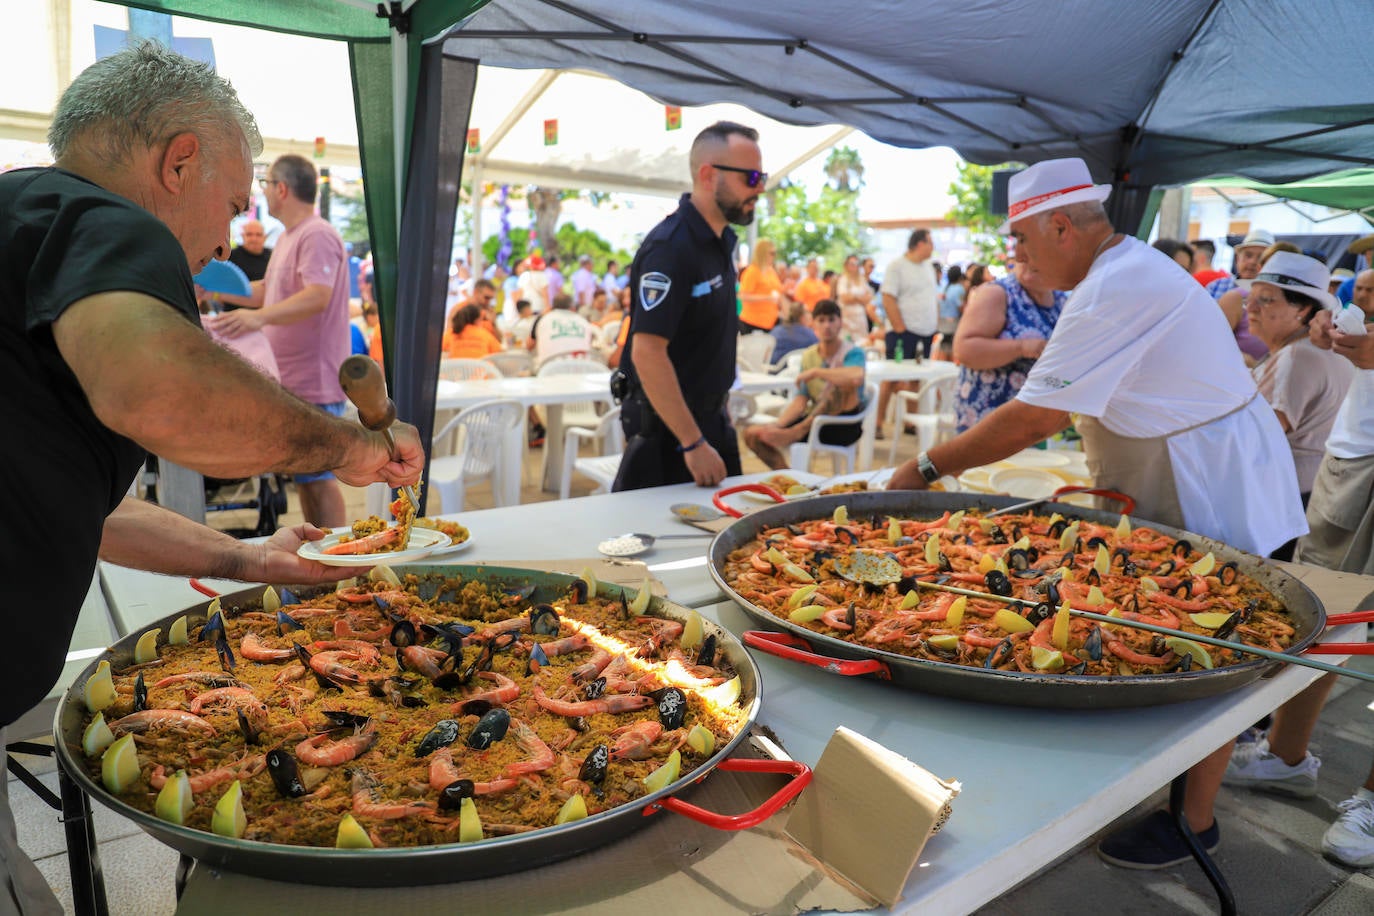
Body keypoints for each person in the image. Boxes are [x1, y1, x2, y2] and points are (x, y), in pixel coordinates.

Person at [0, 42, 423, 913]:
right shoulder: (98, 218)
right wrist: (343, 447)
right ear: (177, 160)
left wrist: (251, 561)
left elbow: (94, 510)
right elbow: (155, 388)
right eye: (231, 203)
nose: (228, 238)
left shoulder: (23, 225)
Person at [886, 157, 1306, 869]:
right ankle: (1171, 794)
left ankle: (1193, 823)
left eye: (1021, 241)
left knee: (1213, 650)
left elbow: (1035, 415)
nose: (1016, 257)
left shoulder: (1118, 284)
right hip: (1183, 468)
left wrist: (922, 468)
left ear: (1060, 226)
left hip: (1211, 482)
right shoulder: (1120, 273)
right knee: (1170, 628)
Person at [613, 121, 762, 490]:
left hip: (708, 421)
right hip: (671, 432)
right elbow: (647, 352)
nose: (759, 189)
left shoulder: (721, 242)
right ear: (709, 175)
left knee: (726, 539)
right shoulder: (672, 248)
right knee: (667, 544)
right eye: (752, 177)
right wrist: (692, 442)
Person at [209, 153, 354, 529]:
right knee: (307, 481)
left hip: (315, 380)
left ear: (282, 189)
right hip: (294, 379)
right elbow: (267, 292)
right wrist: (205, 286)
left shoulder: (316, 234)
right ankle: (323, 557)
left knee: (319, 481)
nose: (264, 192)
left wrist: (257, 318)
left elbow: (316, 295)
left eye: (267, 183)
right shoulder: (290, 236)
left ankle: (336, 561)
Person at [1243, 251, 1354, 548]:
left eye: (1266, 300)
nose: (1250, 307)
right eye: (1250, 298)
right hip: (1308, 493)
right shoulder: (1307, 350)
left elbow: (1259, 434)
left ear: (1303, 310)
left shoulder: (1297, 355)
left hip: (1286, 496)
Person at [744, 299, 866, 468]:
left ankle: (796, 432)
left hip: (843, 423)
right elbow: (801, 399)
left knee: (842, 385)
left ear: (840, 323)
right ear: (813, 324)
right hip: (813, 420)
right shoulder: (809, 356)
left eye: (831, 320)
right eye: (821, 320)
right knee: (752, 434)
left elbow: (856, 376)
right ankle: (788, 478)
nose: (827, 326)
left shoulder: (853, 352)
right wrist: (779, 424)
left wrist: (817, 372)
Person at [952, 260, 1066, 432]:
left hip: (1040, 419)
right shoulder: (997, 293)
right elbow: (964, 350)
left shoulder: (1061, 299)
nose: (1026, 257)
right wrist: (1022, 347)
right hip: (992, 415)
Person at [875, 228, 938, 437]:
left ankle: (910, 421)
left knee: (916, 378)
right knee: (892, 376)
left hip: (925, 332)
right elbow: (888, 297)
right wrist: (900, 327)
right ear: (920, 244)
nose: (933, 247)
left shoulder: (928, 267)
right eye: (931, 242)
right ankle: (877, 422)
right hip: (903, 332)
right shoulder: (897, 266)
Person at [1210, 229, 1274, 363]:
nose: (1252, 262)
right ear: (1238, 258)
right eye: (1248, 255)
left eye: (1261, 258)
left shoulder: (1275, 296)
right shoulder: (1215, 286)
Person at [214, 218, 271, 310]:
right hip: (233, 315)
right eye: (249, 234)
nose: (254, 238)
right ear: (242, 236)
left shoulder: (272, 256)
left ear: (265, 237)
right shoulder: (228, 257)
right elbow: (217, 287)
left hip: (263, 315)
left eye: (258, 235)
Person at [527, 292, 595, 369]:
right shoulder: (583, 321)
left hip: (548, 372)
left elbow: (529, 346)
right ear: (573, 307)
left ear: (552, 307)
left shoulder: (541, 319)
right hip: (581, 370)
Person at [738, 237, 785, 333]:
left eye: (775, 253)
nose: (774, 256)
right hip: (752, 323)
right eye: (772, 253)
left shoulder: (770, 270)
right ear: (762, 253)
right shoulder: (752, 271)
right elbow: (742, 296)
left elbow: (778, 291)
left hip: (771, 322)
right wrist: (767, 298)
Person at [835, 253, 876, 344]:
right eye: (852, 264)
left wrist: (854, 297)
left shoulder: (861, 280)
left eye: (856, 264)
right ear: (846, 265)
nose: (854, 267)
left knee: (863, 342)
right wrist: (860, 298)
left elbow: (869, 297)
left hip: (860, 318)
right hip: (847, 319)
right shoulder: (843, 279)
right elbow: (844, 298)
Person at [768, 301, 819, 365]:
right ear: (802, 317)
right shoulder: (811, 335)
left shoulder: (776, 331)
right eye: (808, 312)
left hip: (773, 370)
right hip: (797, 371)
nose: (811, 316)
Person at [937, 264, 966, 359]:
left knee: (944, 345)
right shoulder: (959, 289)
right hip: (953, 323)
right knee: (952, 346)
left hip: (942, 321)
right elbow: (960, 306)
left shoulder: (945, 288)